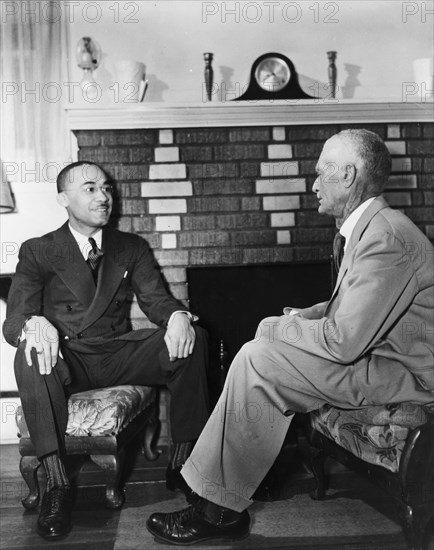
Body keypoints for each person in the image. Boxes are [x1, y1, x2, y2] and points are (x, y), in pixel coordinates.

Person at [146, 129, 434, 545]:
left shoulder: (385, 237)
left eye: (320, 174)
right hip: (385, 359)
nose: (313, 184)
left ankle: (216, 508)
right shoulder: (373, 227)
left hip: (410, 376)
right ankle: (215, 498)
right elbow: (347, 312)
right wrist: (297, 318)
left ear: (349, 175)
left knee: (260, 357)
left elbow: (344, 341)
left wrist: (277, 328)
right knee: (259, 353)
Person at [3, 161, 210, 540]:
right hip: (68, 358)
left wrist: (179, 315)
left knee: (193, 339)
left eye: (106, 188)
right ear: (63, 199)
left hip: (117, 353)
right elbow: (14, 320)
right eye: (90, 188)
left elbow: (156, 301)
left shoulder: (130, 247)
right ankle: (57, 483)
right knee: (30, 350)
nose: (103, 196)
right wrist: (35, 324)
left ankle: (183, 464)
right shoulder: (39, 250)